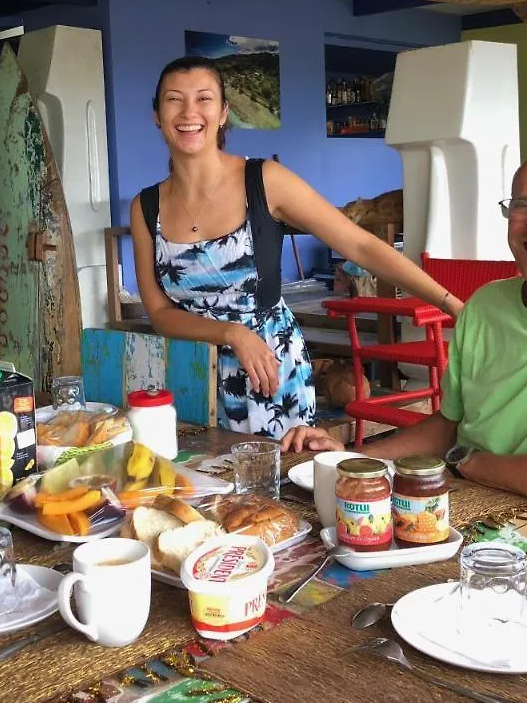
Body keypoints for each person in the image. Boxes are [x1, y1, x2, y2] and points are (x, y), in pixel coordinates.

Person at [283, 142, 527, 513]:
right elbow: (447, 427)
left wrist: (465, 462)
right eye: (523, 205)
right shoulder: (485, 305)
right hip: (459, 508)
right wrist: (351, 459)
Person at [131, 56, 464, 441]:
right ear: (157, 115)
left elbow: (360, 244)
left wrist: (450, 303)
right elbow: (159, 312)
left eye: (203, 98)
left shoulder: (264, 180)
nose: (189, 112)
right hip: (190, 375)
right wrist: (231, 333)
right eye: (174, 99)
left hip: (269, 373)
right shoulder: (146, 206)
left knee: (279, 491)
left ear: (223, 113)